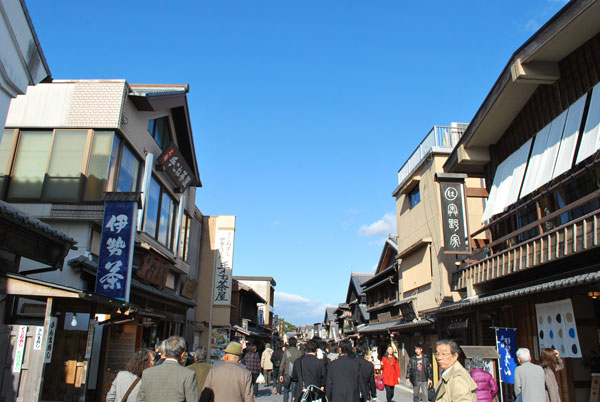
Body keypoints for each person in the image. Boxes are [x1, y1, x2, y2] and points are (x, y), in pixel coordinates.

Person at [136, 336, 198, 402]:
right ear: (182, 354)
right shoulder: (188, 375)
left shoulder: (147, 373)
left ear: (165, 352)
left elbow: (140, 399)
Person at [279, 337, 302, 402]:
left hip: (287, 373)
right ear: (295, 343)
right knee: (294, 391)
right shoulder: (299, 353)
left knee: (286, 390)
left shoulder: (286, 352)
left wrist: (281, 374)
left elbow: (282, 364)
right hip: (296, 374)